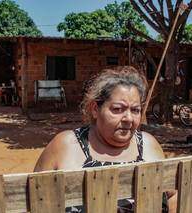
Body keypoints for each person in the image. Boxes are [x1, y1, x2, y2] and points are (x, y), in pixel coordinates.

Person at [34, 66, 176, 213]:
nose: (128, 118)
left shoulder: (148, 145)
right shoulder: (66, 145)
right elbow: (34, 200)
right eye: (117, 109)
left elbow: (172, 195)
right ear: (95, 109)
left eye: (135, 110)